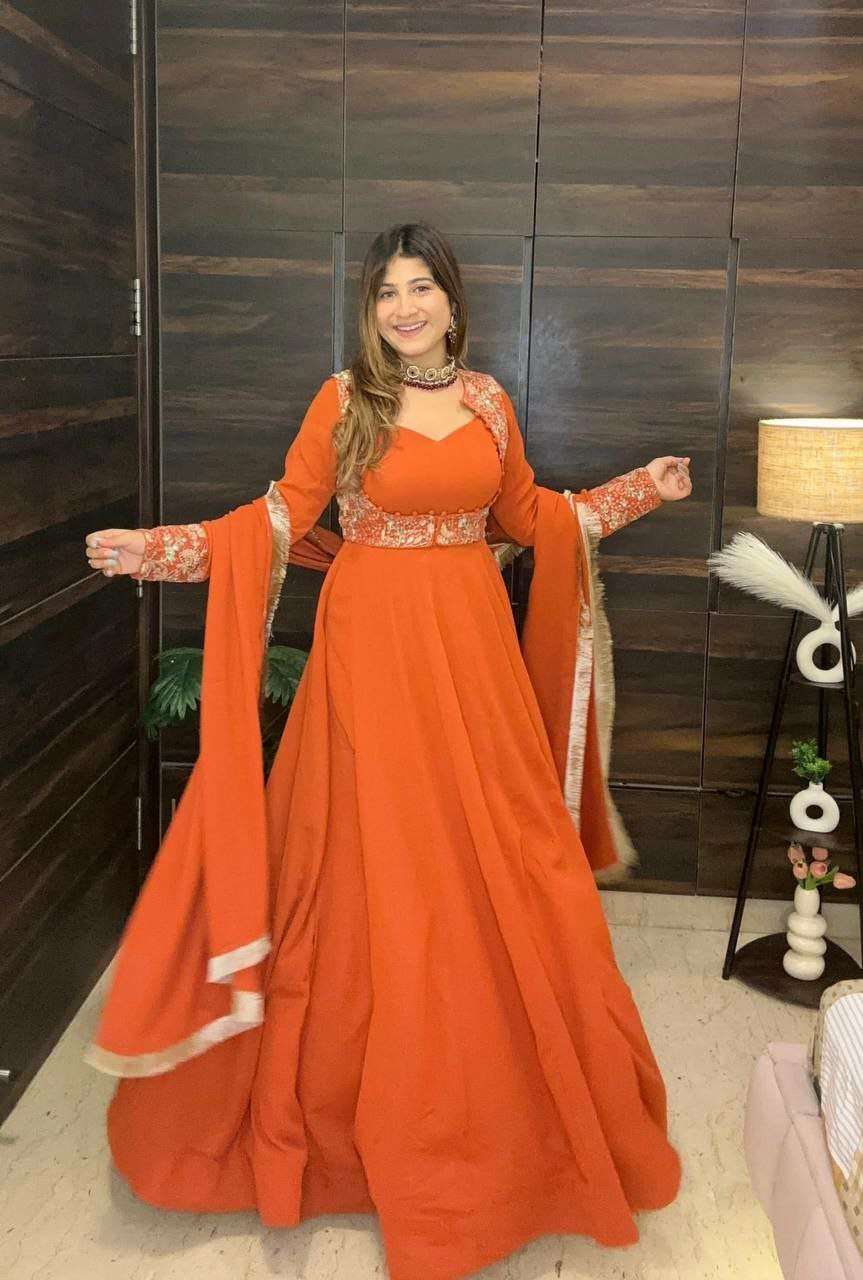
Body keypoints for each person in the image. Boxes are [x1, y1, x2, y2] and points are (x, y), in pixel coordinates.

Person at [83, 222, 691, 1280]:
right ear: (370, 311)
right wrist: (161, 551)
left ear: (452, 303)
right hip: (369, 656)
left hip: (473, 661)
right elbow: (278, 522)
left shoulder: (490, 403)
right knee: (366, 863)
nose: (404, 307)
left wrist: (641, 488)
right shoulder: (344, 402)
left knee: (496, 861)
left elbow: (531, 518)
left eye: (421, 288)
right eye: (385, 293)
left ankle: (498, 1099)